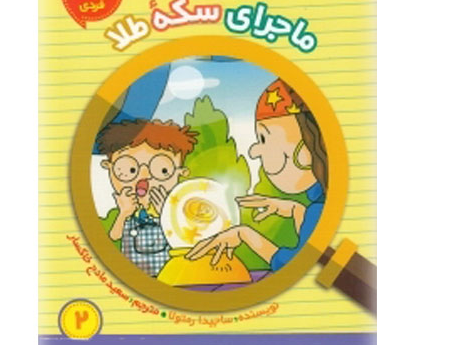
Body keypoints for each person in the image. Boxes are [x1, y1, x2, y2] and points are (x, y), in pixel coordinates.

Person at [186, 79, 327, 270]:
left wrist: (244, 234)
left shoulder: (319, 209)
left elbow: (296, 266)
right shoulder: (321, 201)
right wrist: (295, 209)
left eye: (263, 138)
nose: (254, 152)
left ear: (304, 151)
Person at [97, 119, 197, 277]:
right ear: (109, 167)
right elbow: (115, 236)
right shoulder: (129, 211)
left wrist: (165, 214)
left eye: (162, 170)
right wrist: (123, 214)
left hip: (169, 277)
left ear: (181, 172)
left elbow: (185, 240)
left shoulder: (175, 212)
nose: (144, 177)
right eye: (129, 170)